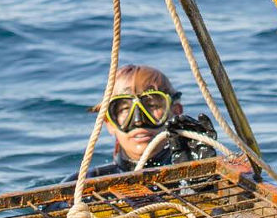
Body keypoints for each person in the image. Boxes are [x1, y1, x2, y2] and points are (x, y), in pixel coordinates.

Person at [70, 64, 209, 180]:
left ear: (176, 112)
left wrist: (202, 175)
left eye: (153, 106)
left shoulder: (203, 172)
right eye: (125, 109)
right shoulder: (83, 185)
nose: (138, 121)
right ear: (109, 123)